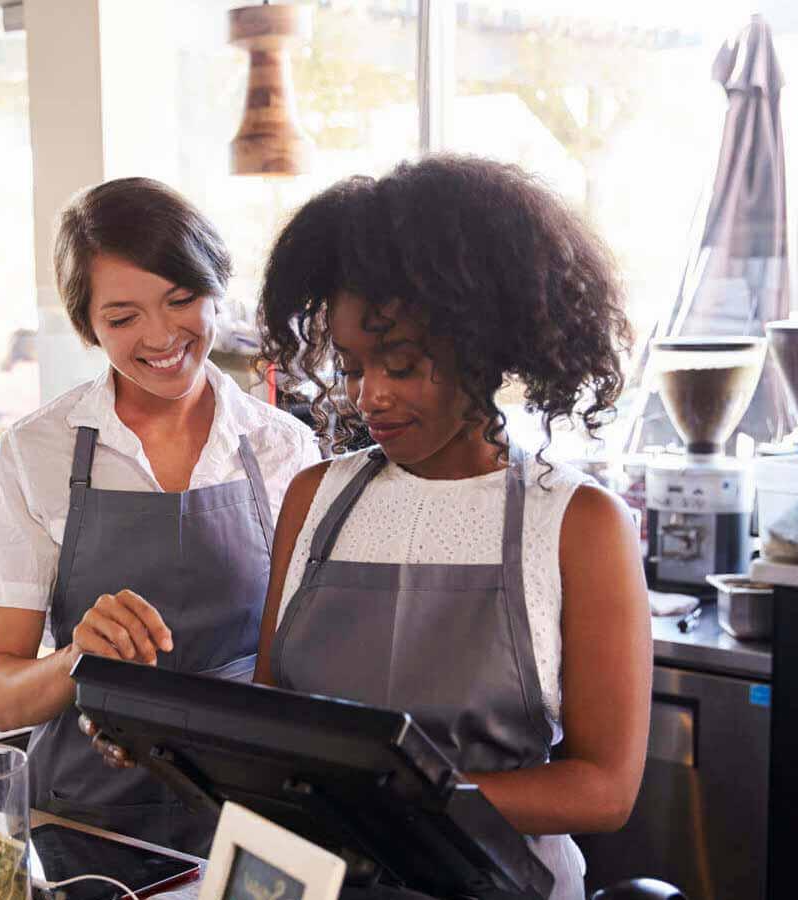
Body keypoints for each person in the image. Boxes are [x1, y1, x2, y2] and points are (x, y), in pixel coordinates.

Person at [88, 157, 650, 897]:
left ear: (483, 347)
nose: (371, 397)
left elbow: (605, 789)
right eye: (353, 367)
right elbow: (274, 722)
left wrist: (391, 801)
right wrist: (153, 725)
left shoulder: (577, 523)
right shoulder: (316, 496)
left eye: (403, 363)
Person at [0, 177, 322, 855]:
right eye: (123, 318)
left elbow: (308, 666)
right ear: (88, 327)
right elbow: (0, 697)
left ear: (217, 287)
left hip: (248, 816)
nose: (161, 336)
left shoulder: (284, 448)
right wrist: (78, 661)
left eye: (181, 300)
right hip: (84, 818)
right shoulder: (33, 455)